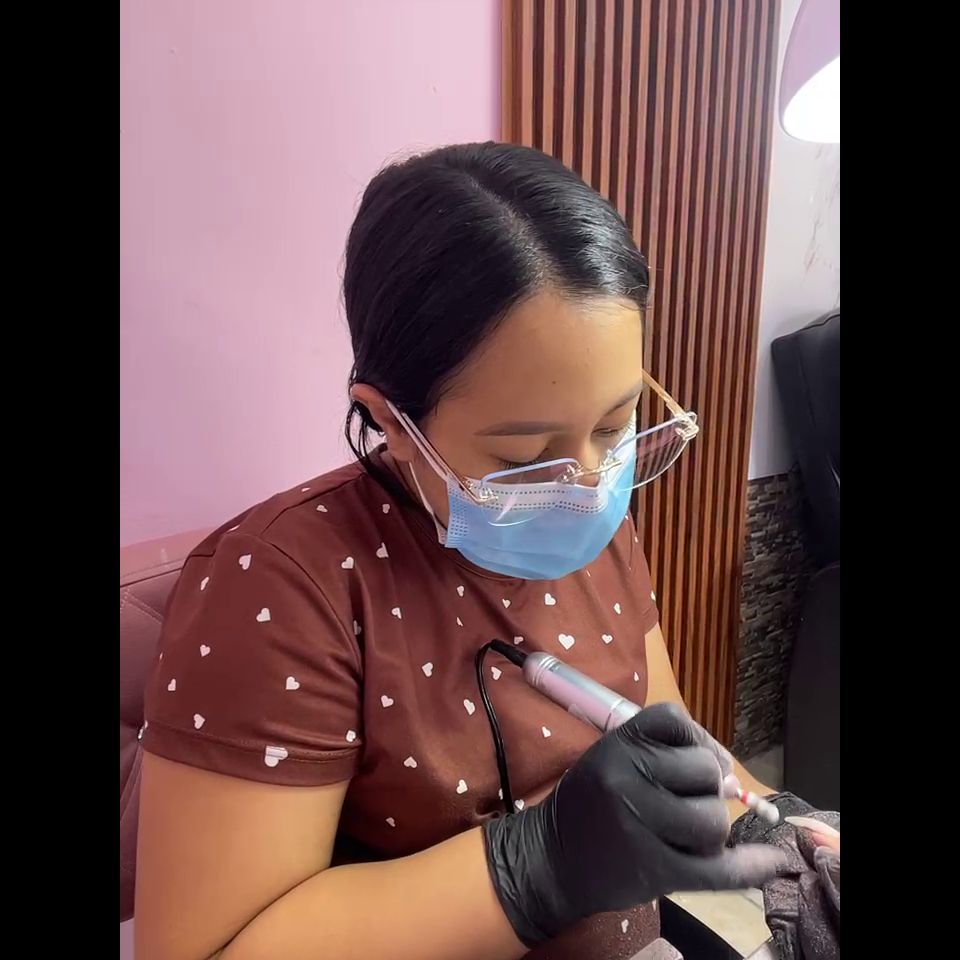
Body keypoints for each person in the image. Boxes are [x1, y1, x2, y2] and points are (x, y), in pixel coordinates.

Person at [135, 142, 783, 960]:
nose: (587, 487)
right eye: (525, 459)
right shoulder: (281, 589)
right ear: (392, 420)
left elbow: (673, 748)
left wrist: (779, 828)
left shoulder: (594, 516)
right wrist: (536, 865)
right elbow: (203, 950)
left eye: (615, 426)